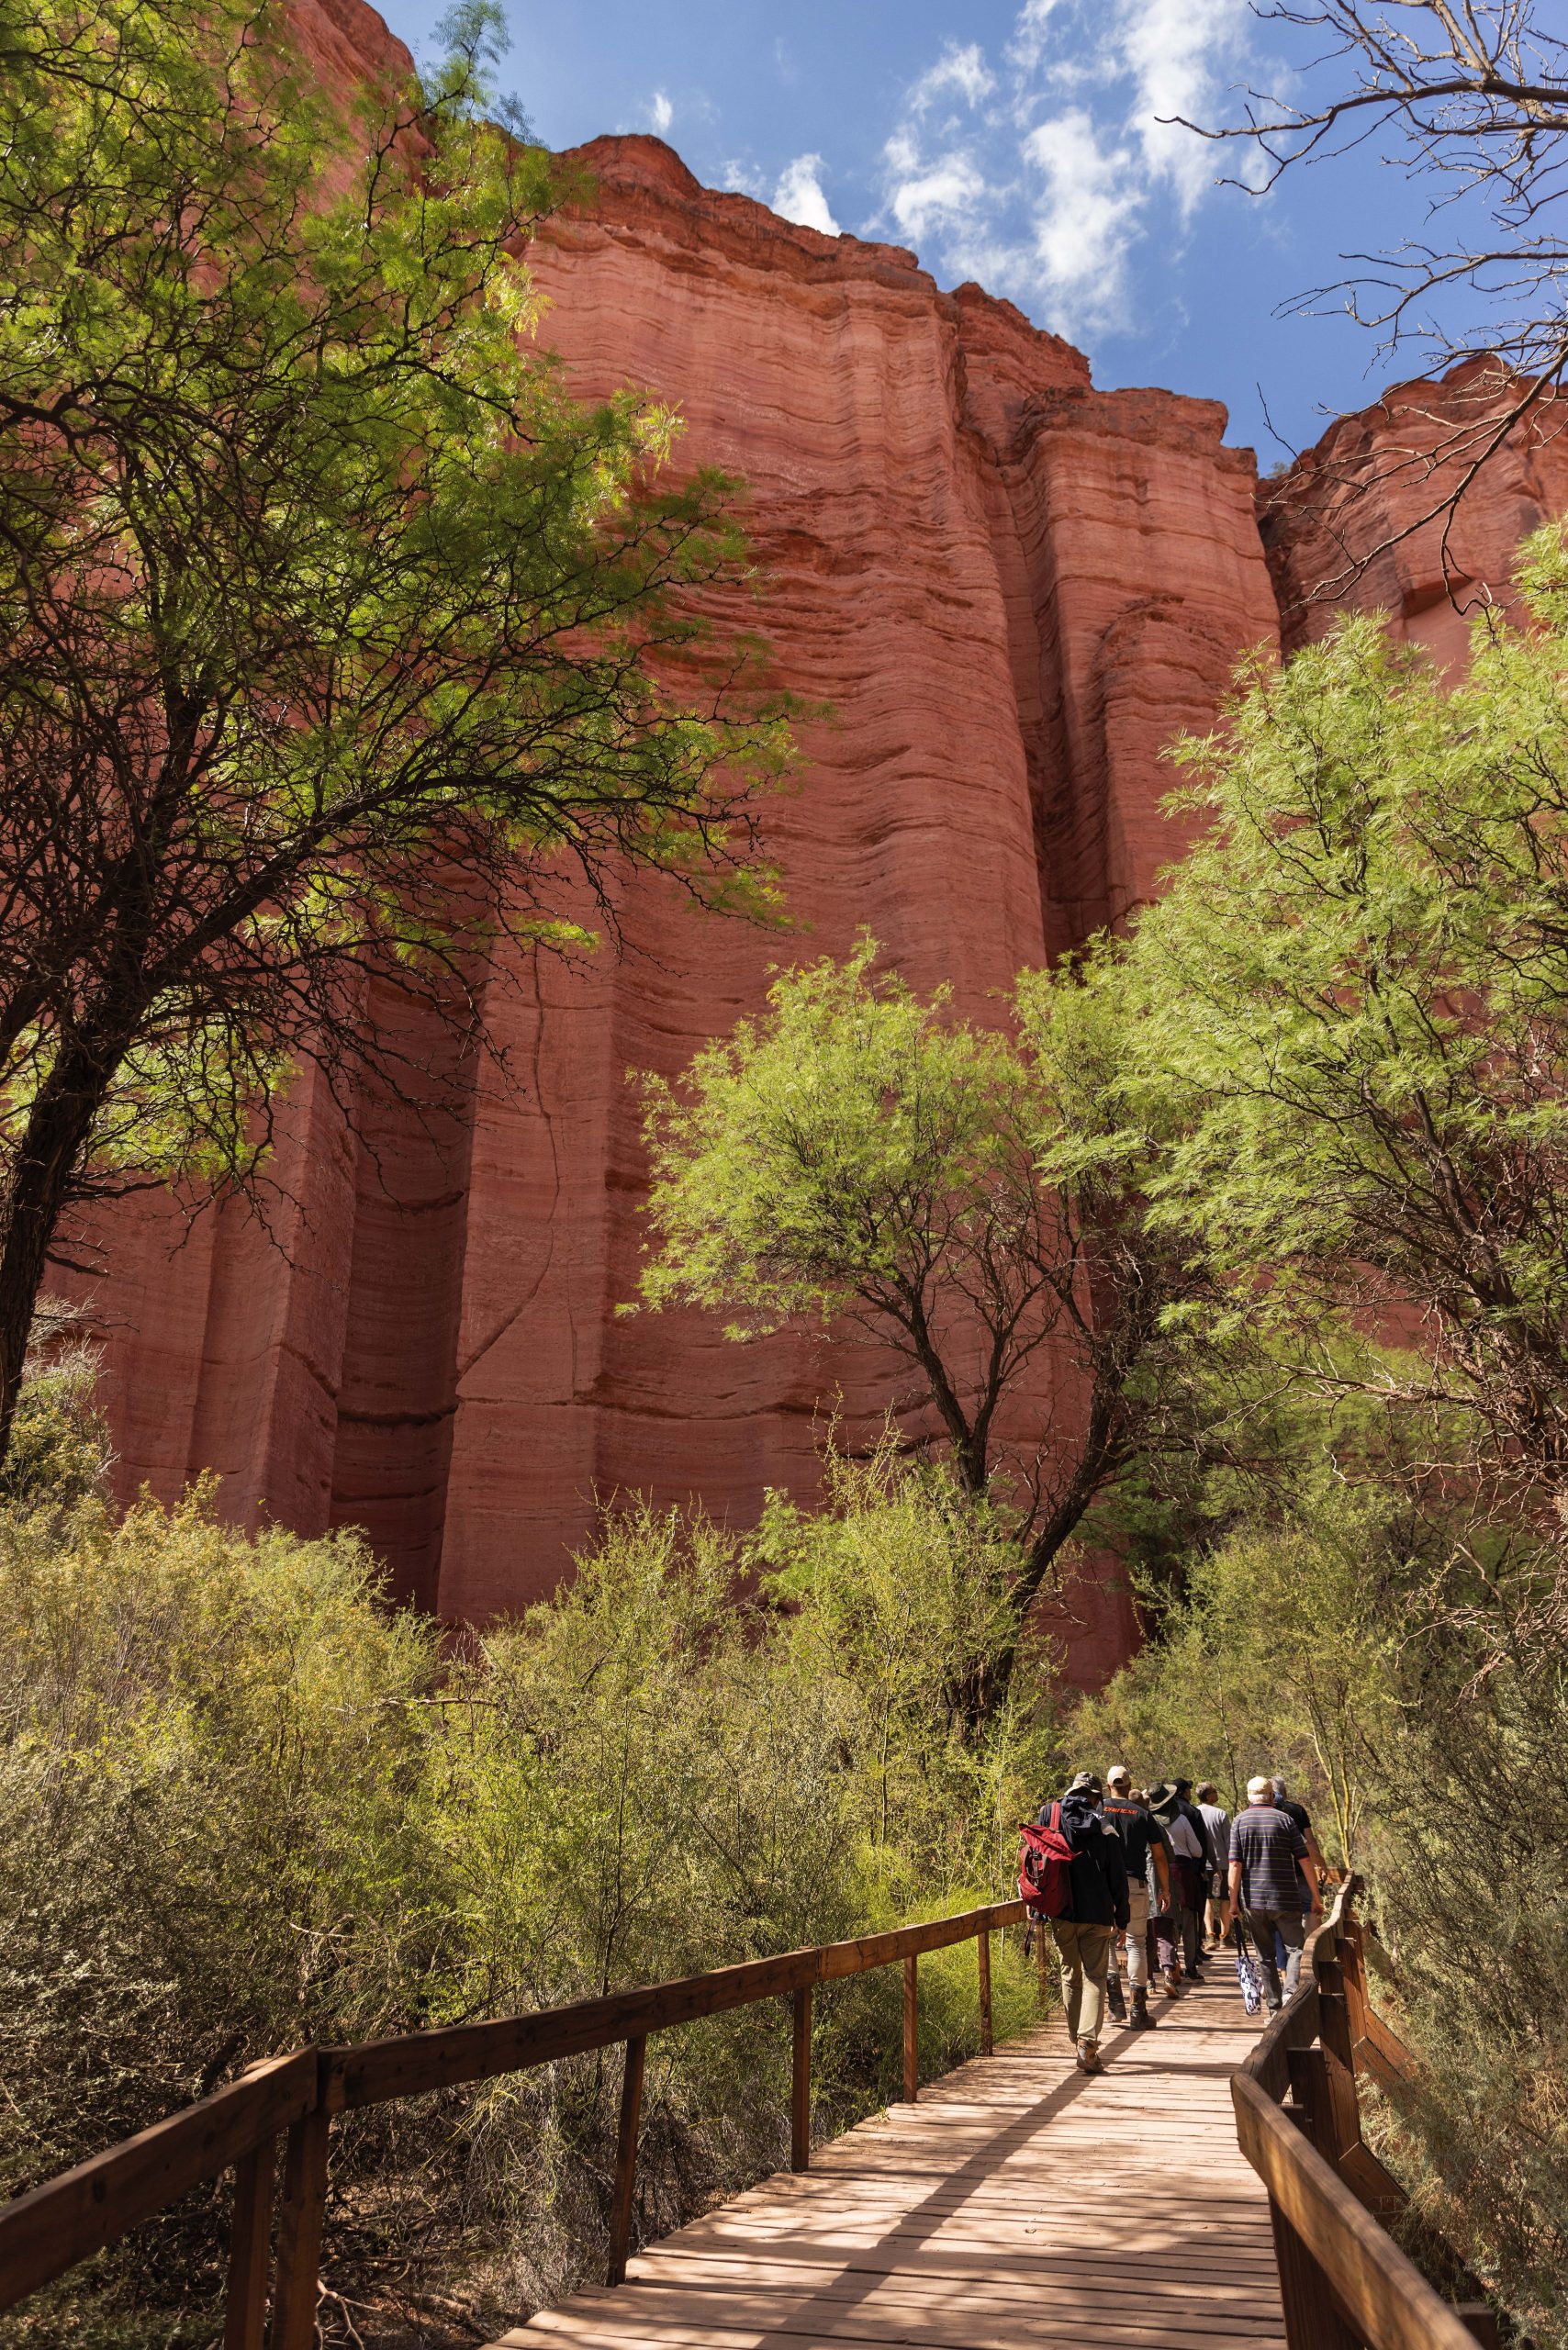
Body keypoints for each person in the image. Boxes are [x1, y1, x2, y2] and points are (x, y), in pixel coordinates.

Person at [1041, 1770, 1130, 2073]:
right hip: (1097, 1913)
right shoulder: (1104, 1825)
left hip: (1061, 1910)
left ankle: (1075, 2037)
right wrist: (1123, 1917)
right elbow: (1117, 1874)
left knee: (1070, 1974)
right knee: (1094, 1976)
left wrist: (1036, 1904)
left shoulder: (1049, 1814)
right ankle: (1086, 2044)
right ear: (1095, 1797)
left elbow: (1038, 1860)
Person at [1228, 1775, 1323, 2011]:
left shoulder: (1239, 1822)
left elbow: (1235, 1865)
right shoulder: (1286, 1820)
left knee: (1265, 1955)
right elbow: (1304, 1859)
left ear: (1249, 1797)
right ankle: (1290, 1991)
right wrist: (1316, 1895)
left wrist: (1233, 1902)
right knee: (1295, 1949)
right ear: (1271, 1796)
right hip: (1285, 1898)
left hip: (1254, 1900)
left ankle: (1273, 2006)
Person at [1102, 1765, 1170, 2030]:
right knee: (1136, 1944)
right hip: (1136, 1884)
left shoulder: (1099, 1810)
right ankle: (1138, 2011)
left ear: (1108, 1786)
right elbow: (1160, 1855)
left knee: (1107, 1943)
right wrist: (1165, 1889)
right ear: (1130, 1786)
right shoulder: (1142, 1814)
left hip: (1106, 1886)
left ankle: (1115, 2006)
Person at [1148, 1782, 1207, 1980]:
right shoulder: (1181, 1821)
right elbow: (1198, 1850)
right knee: (1188, 1921)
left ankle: (1166, 1965)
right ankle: (1191, 1966)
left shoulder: (1150, 1821)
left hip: (1157, 1873)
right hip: (1183, 1872)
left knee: (1163, 1921)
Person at [1196, 1782, 1231, 1945]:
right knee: (1225, 1899)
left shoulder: (1195, 1813)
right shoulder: (1221, 1814)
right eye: (1215, 1791)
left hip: (1203, 1863)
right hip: (1222, 1863)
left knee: (1208, 1899)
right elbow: (1229, 1841)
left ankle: (1210, 1936)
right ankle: (1225, 1936)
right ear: (1209, 1796)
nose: (1217, 1794)